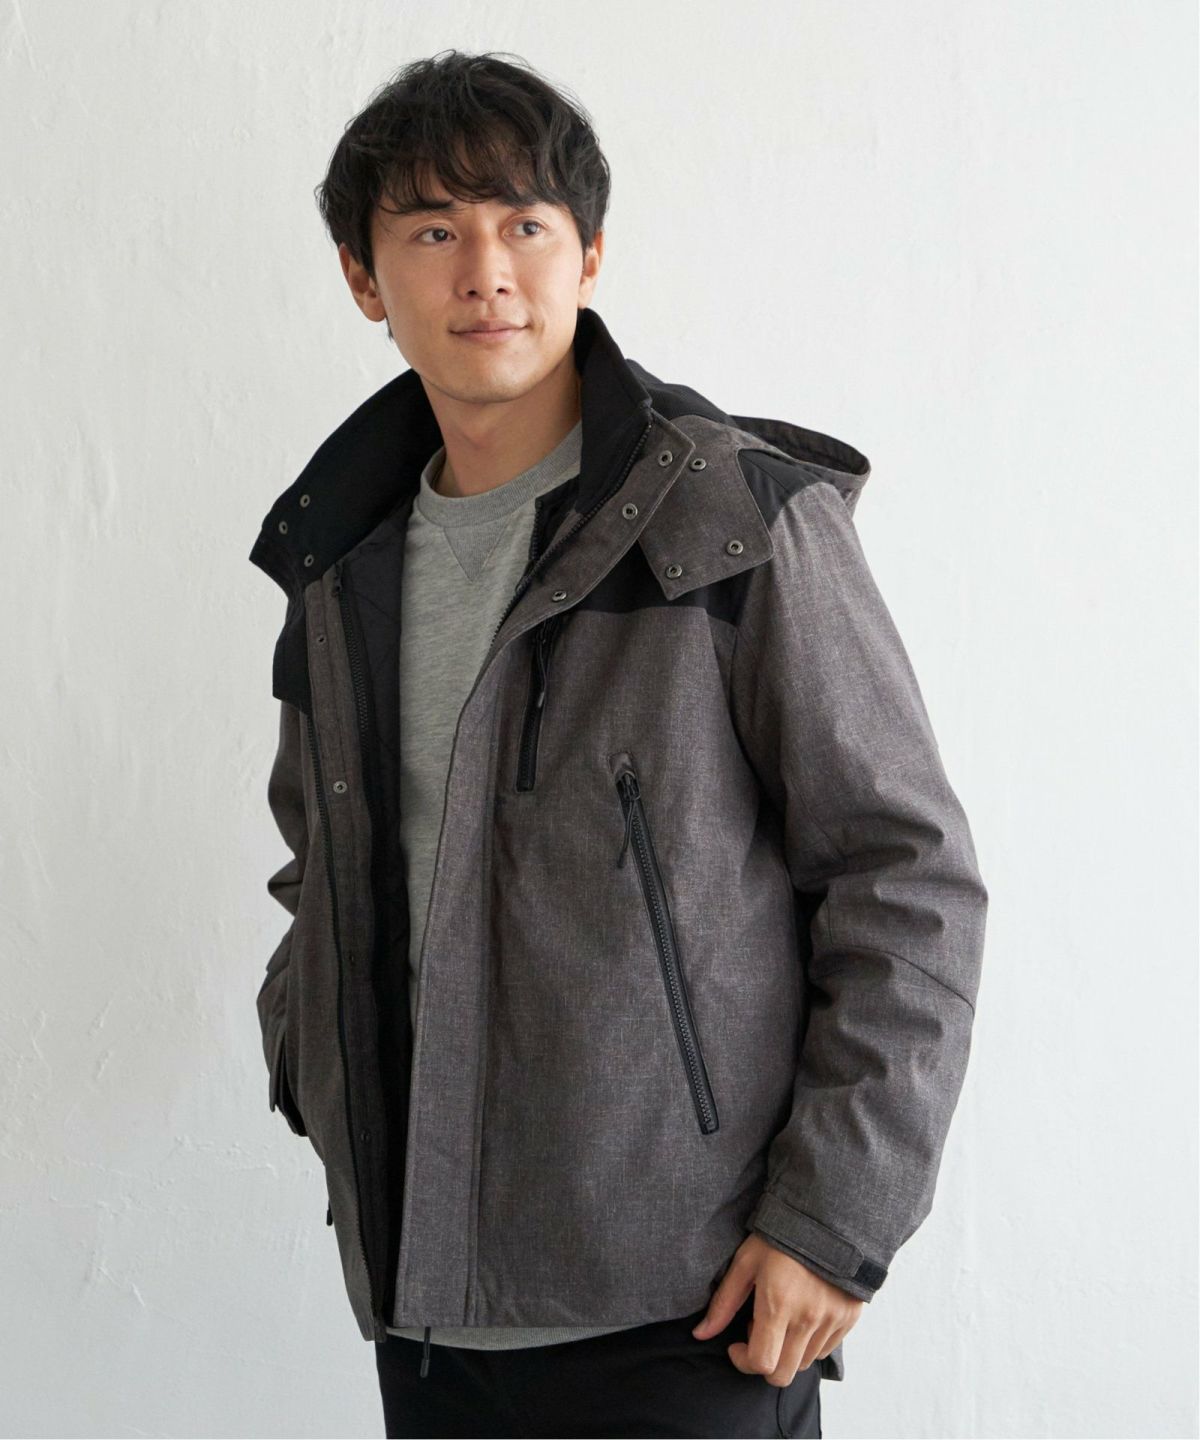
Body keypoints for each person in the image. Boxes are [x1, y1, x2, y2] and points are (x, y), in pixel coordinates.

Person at [247, 48, 989, 1440]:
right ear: (364, 277)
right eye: (433, 232)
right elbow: (322, 868)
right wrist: (316, 1065)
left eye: (525, 223)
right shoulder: (337, 562)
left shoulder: (733, 519)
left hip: (694, 1311)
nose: (487, 272)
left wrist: (833, 1223)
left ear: (588, 255)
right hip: (423, 1312)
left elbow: (905, 879)